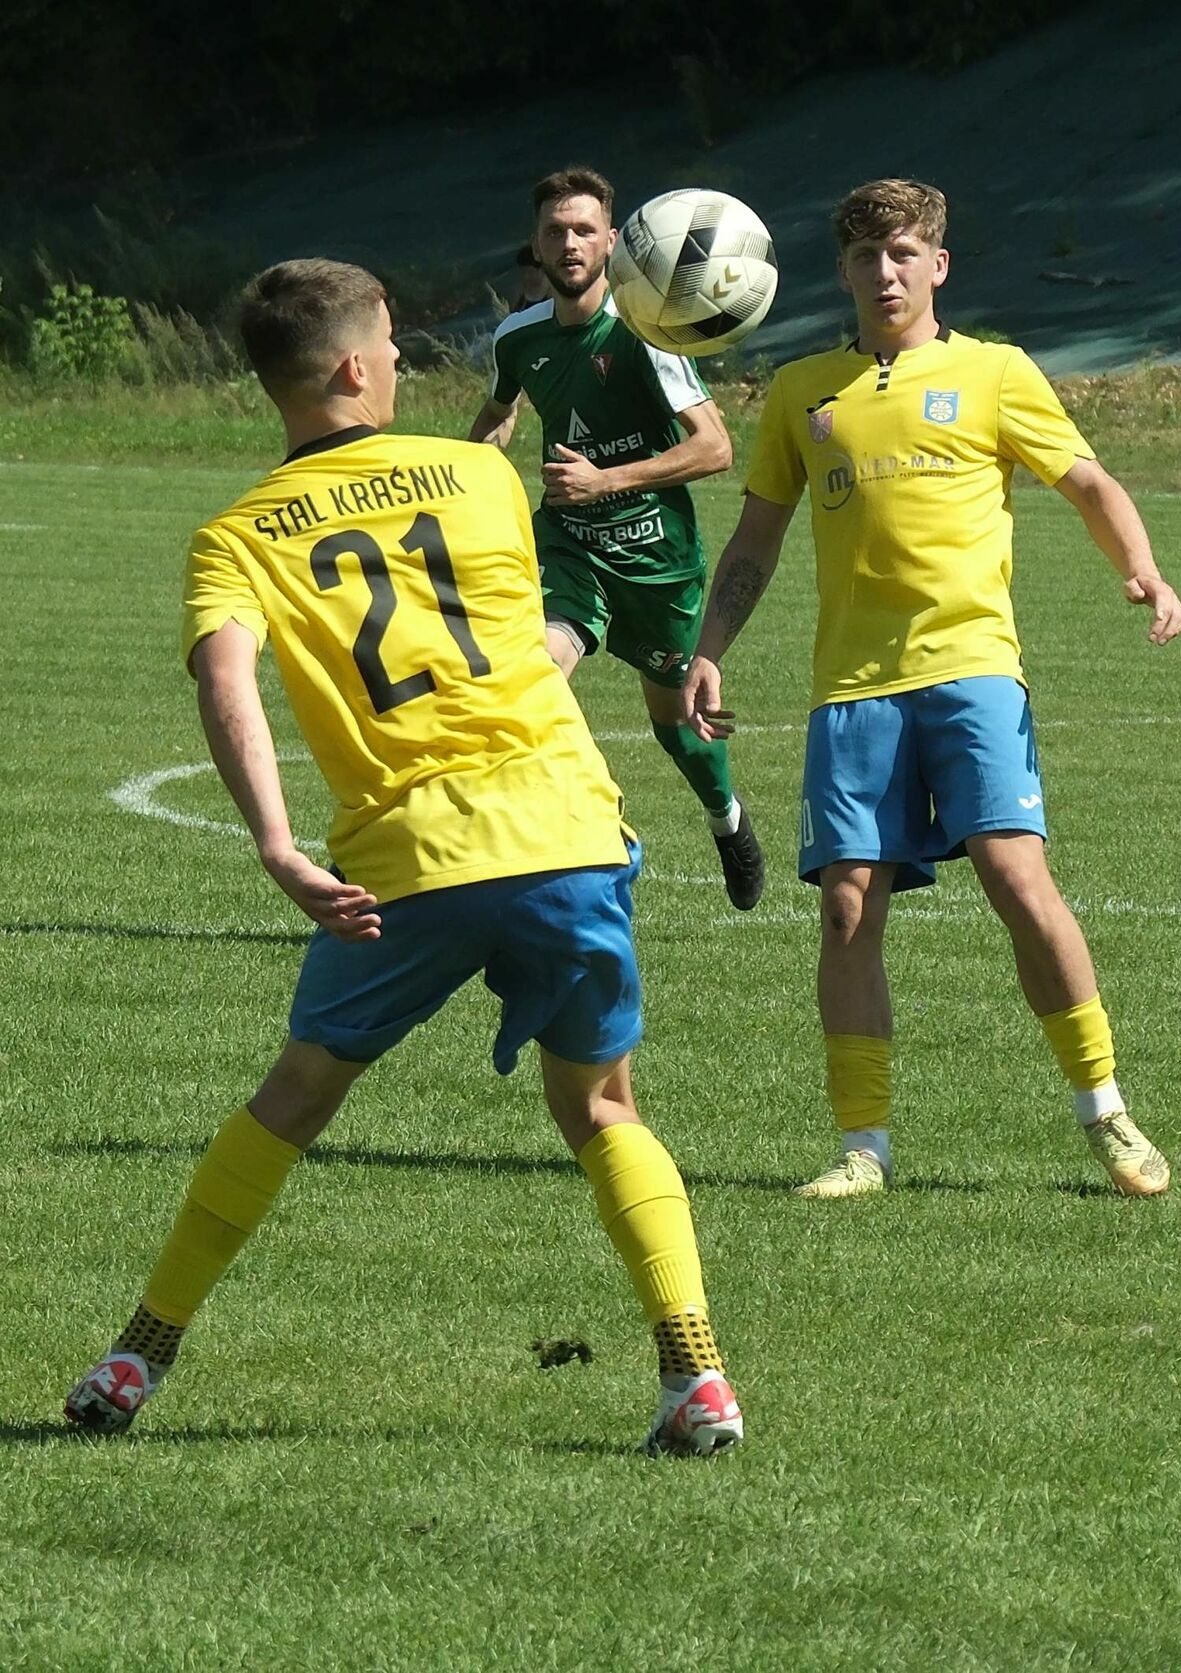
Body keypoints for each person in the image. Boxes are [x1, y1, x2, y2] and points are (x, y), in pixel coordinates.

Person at [64, 258, 743, 1456]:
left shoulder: (233, 537)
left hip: (404, 862)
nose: (398, 362)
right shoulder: (478, 472)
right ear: (354, 368)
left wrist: (275, 843)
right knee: (599, 1105)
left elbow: (228, 679)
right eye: (389, 344)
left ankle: (138, 1354)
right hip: (560, 829)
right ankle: (695, 1371)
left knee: (293, 1099)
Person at [682, 178, 1181, 1199]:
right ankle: (863, 1146)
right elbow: (755, 539)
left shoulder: (995, 372)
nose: (885, 272)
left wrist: (1139, 562)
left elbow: (1085, 480)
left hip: (972, 669)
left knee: (1015, 875)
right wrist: (710, 646)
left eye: (905, 253)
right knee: (846, 908)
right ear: (844, 271)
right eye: (867, 256)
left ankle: (1108, 1113)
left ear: (938, 265)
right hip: (852, 688)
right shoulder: (801, 392)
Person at [467, 165, 764, 912]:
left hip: (656, 563)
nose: (569, 243)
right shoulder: (518, 337)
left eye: (584, 230)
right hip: (565, 546)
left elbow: (715, 450)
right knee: (535, 670)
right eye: (554, 231)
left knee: (678, 730)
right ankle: (538, 841)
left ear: (611, 241)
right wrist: (464, 475)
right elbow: (500, 412)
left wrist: (606, 479)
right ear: (534, 246)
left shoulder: (647, 332)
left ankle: (727, 820)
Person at [511, 242, 550, 312]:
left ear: (544, 271)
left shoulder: (560, 304)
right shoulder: (518, 305)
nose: (526, 277)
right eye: (523, 272)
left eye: (531, 272)